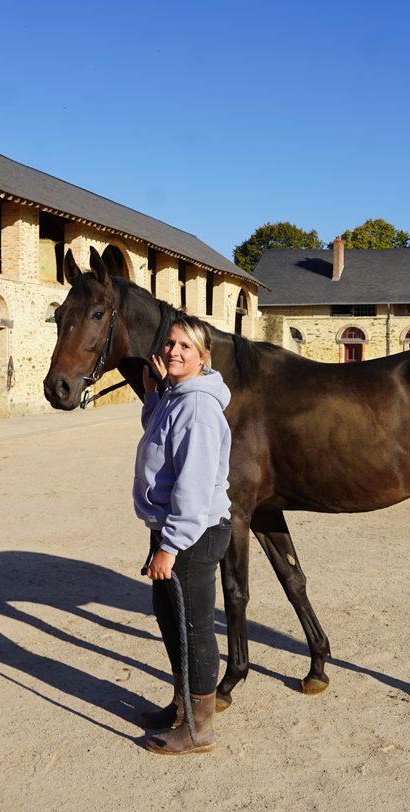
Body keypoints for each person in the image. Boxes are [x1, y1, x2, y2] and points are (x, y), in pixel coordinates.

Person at [132, 314, 232, 755]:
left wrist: (170, 546)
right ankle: (182, 707)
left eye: (185, 346)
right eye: (170, 343)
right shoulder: (176, 396)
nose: (174, 351)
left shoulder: (197, 408)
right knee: (170, 618)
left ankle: (198, 729)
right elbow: (160, 440)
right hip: (173, 528)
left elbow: (193, 485)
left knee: (193, 627)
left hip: (193, 533)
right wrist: (153, 395)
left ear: (203, 357)